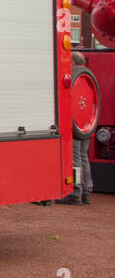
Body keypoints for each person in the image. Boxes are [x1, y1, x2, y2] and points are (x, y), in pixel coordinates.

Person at [58, 50, 94, 205]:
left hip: (74, 126)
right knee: (84, 157)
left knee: (76, 159)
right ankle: (87, 191)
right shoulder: (89, 77)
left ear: (72, 63)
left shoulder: (73, 76)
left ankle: (75, 191)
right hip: (86, 125)